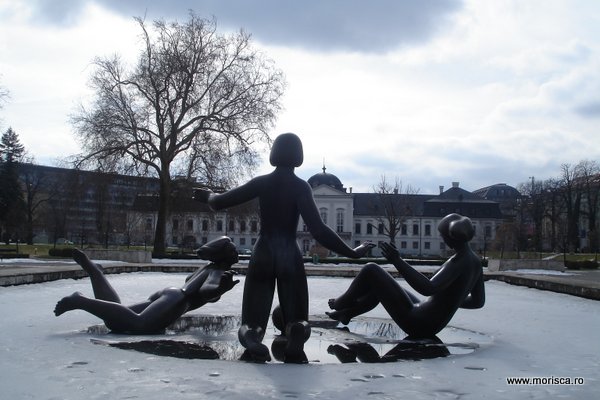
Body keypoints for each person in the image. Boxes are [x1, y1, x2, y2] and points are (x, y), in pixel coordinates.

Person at [193, 133, 374, 362]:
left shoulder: (262, 182)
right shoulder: (301, 187)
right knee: (298, 318)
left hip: (264, 250)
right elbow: (319, 230)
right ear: (299, 156)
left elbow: (220, 202)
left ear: (274, 154)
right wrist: (352, 252)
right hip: (289, 252)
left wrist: (208, 195)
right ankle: (296, 330)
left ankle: (252, 337)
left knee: (252, 319)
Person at [327, 213, 485, 338]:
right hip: (430, 322)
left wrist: (397, 261)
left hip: (419, 322)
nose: (441, 238)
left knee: (371, 269)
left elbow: (428, 288)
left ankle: (341, 303)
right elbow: (478, 302)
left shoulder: (457, 262)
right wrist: (451, 300)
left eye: (443, 235)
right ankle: (347, 313)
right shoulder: (475, 262)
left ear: (451, 237)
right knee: (381, 286)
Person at [54, 237, 239, 334]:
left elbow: (200, 287)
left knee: (116, 318)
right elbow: (207, 290)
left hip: (170, 295)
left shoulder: (207, 266)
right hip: (177, 301)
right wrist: (220, 288)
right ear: (223, 255)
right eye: (232, 251)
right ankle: (80, 301)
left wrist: (216, 290)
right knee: (139, 324)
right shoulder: (218, 270)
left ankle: (95, 273)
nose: (236, 253)